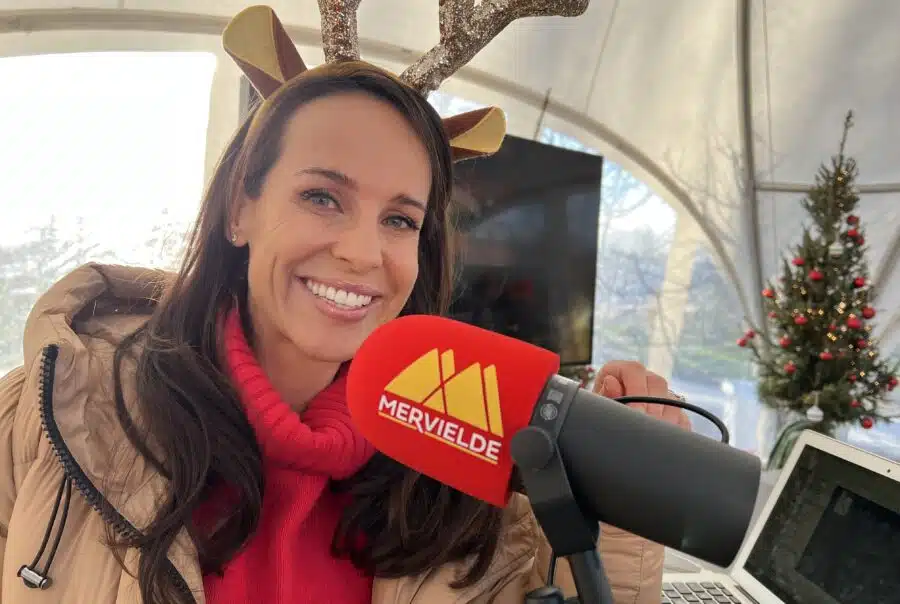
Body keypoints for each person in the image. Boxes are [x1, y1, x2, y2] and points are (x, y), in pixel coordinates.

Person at [0, 6, 690, 604]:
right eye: (322, 197)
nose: (363, 253)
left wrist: (619, 505)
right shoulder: (55, 413)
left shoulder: (479, 481)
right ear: (239, 210)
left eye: (400, 220)